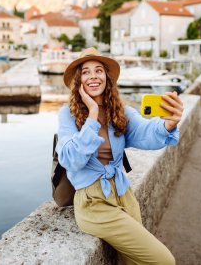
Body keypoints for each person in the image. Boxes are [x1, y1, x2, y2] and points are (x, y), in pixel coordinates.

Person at [57, 47, 184, 265]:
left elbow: (146, 133)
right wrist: (93, 116)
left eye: (99, 70)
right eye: (86, 72)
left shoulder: (120, 111)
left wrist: (168, 124)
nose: (93, 76)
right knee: (164, 260)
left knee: (132, 260)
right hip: (93, 202)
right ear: (78, 81)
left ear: (107, 77)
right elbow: (70, 160)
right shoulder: (67, 114)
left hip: (123, 193)